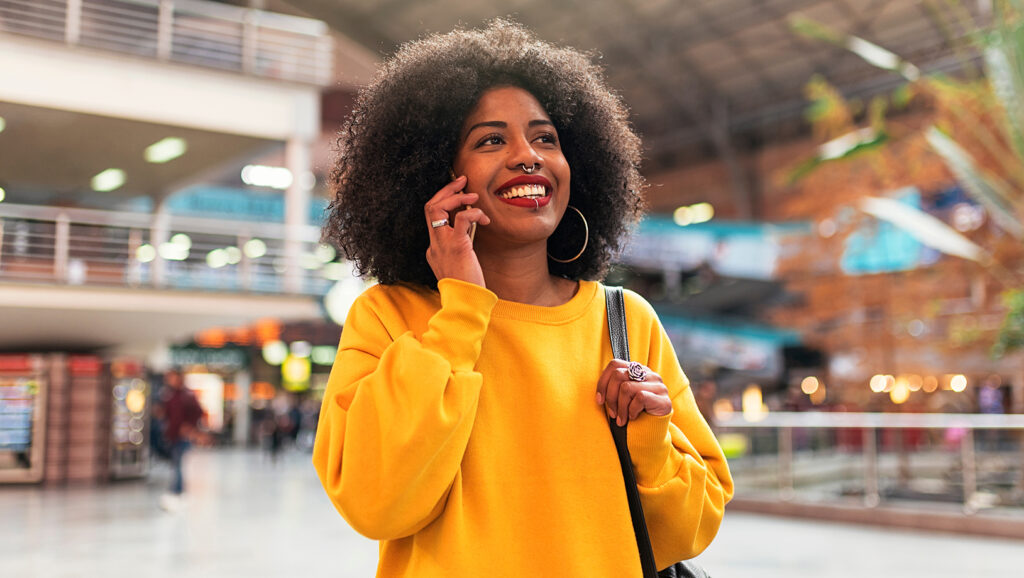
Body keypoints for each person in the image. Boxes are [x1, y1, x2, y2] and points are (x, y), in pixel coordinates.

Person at [312, 20, 733, 577]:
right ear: (439, 176)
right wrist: (461, 309)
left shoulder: (625, 321)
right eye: (491, 140)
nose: (527, 156)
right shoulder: (391, 317)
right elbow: (375, 500)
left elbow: (690, 532)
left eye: (546, 138)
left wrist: (649, 438)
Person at [156, 369, 204, 511]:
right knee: (175, 463)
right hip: (172, 435)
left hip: (183, 436)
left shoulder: (187, 395)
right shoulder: (169, 395)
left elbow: (198, 412)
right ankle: (178, 491)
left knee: (177, 463)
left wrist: (190, 428)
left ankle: (176, 492)